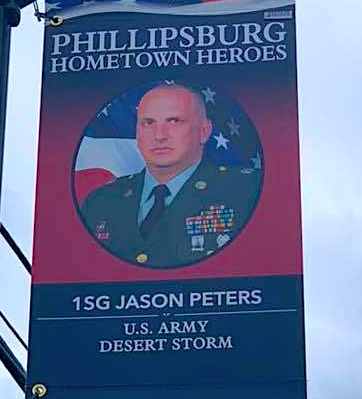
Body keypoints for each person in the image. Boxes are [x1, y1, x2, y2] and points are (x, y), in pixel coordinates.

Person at [80, 83, 261, 267]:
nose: (159, 136)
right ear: (137, 132)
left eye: (174, 121)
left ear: (204, 132)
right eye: (148, 123)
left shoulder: (246, 190)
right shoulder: (100, 201)